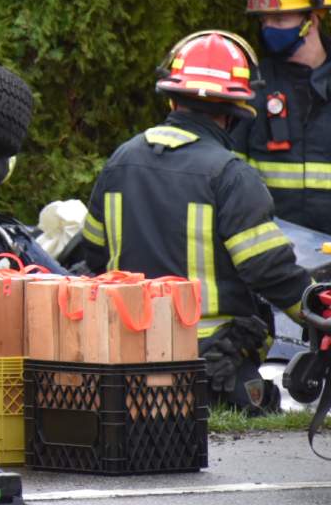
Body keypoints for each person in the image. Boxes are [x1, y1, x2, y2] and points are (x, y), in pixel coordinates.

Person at [81, 31, 309, 413]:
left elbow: (93, 254)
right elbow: (271, 272)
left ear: (172, 97)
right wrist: (317, 312)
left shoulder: (120, 162)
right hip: (208, 367)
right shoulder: (231, 175)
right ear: (236, 109)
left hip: (127, 358)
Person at [231, 0, 331, 232]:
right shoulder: (253, 87)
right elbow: (230, 175)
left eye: (279, 18)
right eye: (263, 20)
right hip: (274, 256)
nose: (268, 29)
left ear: (312, 18)